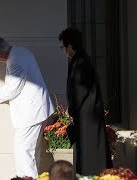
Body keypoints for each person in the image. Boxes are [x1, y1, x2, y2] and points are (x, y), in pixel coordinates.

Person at [0, 36, 54, 178]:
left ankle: (26, 178)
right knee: (30, 151)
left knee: (24, 151)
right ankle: (28, 177)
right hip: (36, 110)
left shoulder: (14, 61)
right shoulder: (21, 51)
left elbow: (12, 89)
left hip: (31, 113)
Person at [58, 27, 113, 175]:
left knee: (90, 154)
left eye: (63, 46)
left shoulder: (80, 62)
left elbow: (79, 91)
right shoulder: (80, 60)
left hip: (87, 117)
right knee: (91, 152)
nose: (63, 50)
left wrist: (72, 110)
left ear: (70, 46)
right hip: (88, 116)